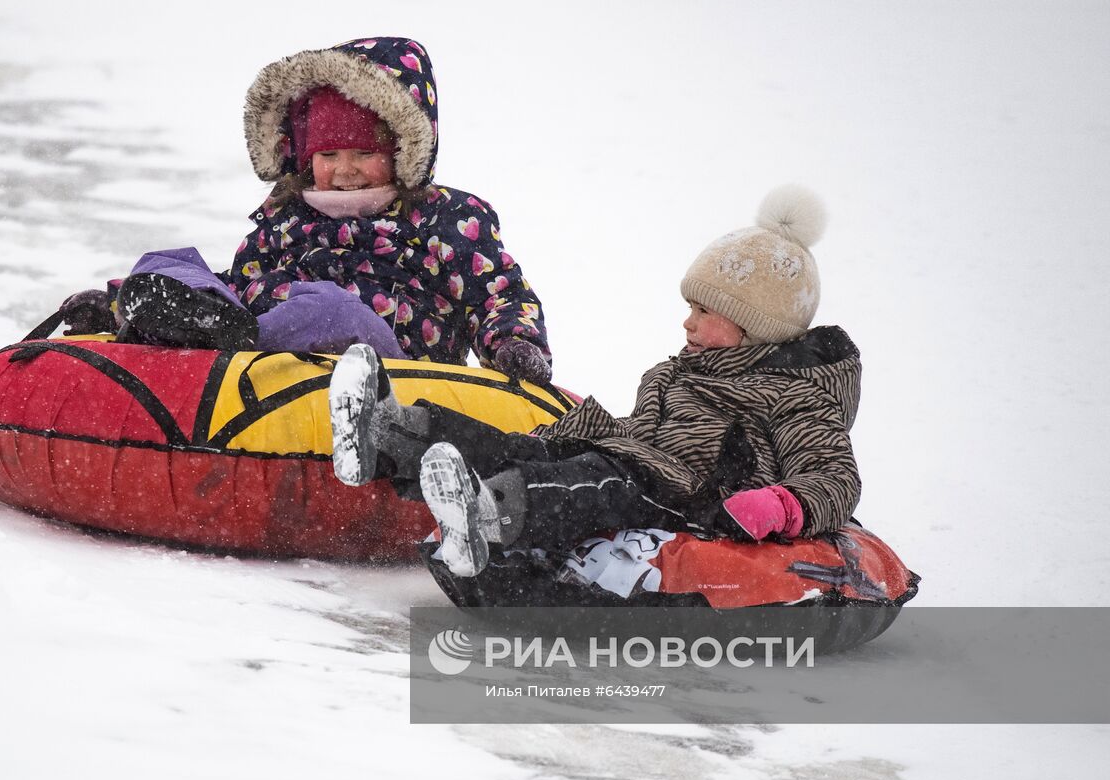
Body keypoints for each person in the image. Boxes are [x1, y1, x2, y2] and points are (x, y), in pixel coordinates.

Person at [328, 185, 861, 577]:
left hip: (699, 498)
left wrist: (781, 506)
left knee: (599, 481)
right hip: (645, 467)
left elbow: (834, 476)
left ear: (755, 328)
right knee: (528, 450)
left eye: (704, 310)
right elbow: (642, 433)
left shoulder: (798, 395)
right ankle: (392, 434)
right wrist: (567, 434)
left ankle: (490, 513)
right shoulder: (676, 373)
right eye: (688, 307)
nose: (687, 322)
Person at [58, 37, 553, 386]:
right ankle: (163, 313)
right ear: (304, 157)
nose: (345, 171)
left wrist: (513, 344)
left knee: (329, 308)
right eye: (329, 155)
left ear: (402, 151)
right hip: (275, 368)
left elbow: (498, 293)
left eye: (364, 154)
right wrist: (118, 301)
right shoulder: (287, 217)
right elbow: (243, 280)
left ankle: (236, 344)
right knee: (174, 268)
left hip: (391, 371)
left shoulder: (447, 219)